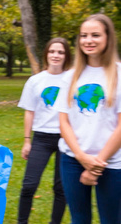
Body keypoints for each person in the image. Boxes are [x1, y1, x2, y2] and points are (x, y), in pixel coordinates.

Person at [54, 14, 121, 223]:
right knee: (79, 219)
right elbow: (63, 121)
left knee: (111, 219)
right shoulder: (69, 76)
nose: (88, 40)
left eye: (95, 35)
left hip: (111, 162)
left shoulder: (119, 75)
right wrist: (81, 157)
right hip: (72, 159)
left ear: (108, 38)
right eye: (84, 35)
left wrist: (96, 164)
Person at [17, 38, 71, 224]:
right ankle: (21, 221)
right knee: (28, 185)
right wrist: (27, 140)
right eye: (52, 52)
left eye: (60, 52)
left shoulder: (72, 79)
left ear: (66, 56)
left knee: (61, 188)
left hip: (66, 138)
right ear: (46, 54)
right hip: (41, 138)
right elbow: (29, 112)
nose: (56, 55)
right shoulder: (35, 81)